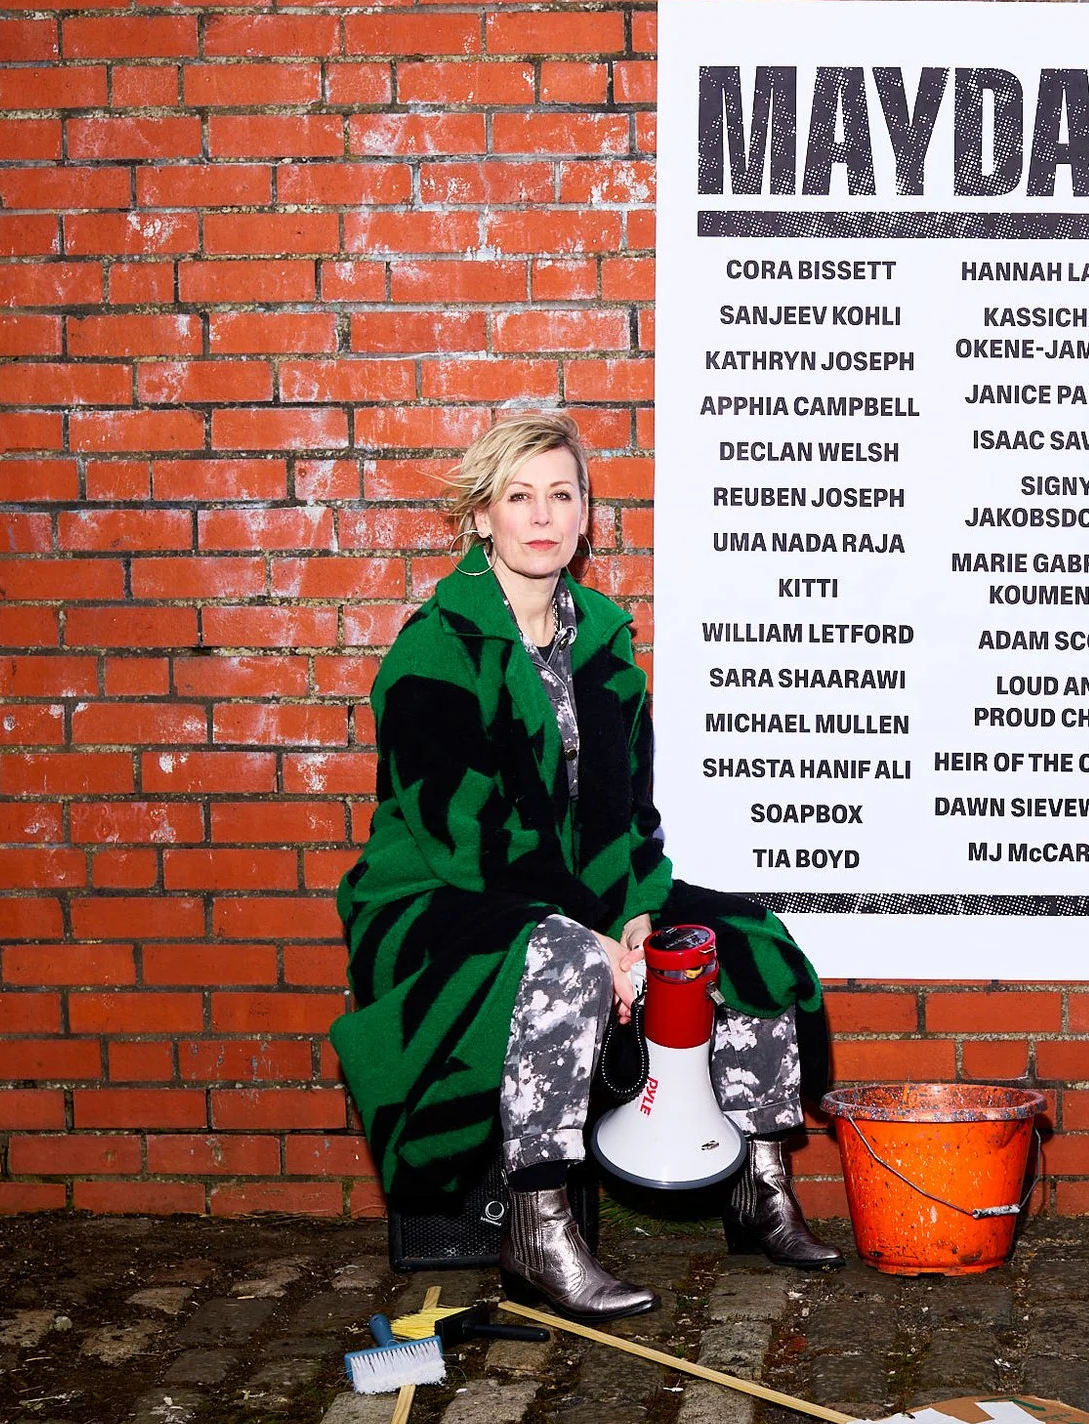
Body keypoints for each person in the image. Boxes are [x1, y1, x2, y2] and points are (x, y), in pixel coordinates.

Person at [332, 410, 840, 1322]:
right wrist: (590, 933)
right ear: (480, 517)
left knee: (741, 934)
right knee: (563, 957)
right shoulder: (435, 648)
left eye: (560, 496)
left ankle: (757, 1186)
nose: (541, 516)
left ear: (583, 515)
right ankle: (540, 1231)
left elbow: (627, 813)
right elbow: (468, 838)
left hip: (576, 887)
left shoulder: (604, 637)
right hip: (438, 897)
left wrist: (640, 911)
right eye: (518, 497)